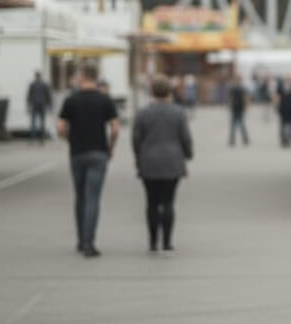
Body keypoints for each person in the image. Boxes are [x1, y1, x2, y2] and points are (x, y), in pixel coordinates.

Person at [57, 63, 121, 258]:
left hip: (77, 153)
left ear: (82, 77)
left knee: (80, 197)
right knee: (93, 198)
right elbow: (115, 128)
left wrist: (70, 139)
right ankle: (89, 243)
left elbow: (60, 128)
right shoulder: (105, 100)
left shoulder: (71, 101)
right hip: (98, 153)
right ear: (96, 77)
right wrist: (111, 147)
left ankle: (80, 239)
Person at [132, 76, 193, 252]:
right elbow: (185, 137)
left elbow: (136, 139)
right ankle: (167, 242)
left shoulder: (143, 113)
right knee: (168, 202)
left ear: (152, 92)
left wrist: (139, 158)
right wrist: (187, 154)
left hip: (149, 162)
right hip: (172, 162)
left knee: (151, 202)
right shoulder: (179, 113)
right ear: (169, 92)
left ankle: (152, 241)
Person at [26, 71, 53, 145]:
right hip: (42, 104)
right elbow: (48, 95)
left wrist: (28, 105)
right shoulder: (44, 84)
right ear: (40, 76)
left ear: (35, 76)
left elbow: (29, 95)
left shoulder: (32, 84)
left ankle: (32, 139)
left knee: (33, 122)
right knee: (42, 122)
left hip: (34, 104)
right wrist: (50, 105)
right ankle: (42, 139)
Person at [275, 74, 291, 148]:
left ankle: (290, 139)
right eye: (287, 78)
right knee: (282, 125)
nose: (289, 80)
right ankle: (283, 139)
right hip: (283, 108)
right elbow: (277, 96)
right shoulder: (281, 86)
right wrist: (277, 105)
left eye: (290, 78)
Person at [227, 74, 249, 147]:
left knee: (241, 125)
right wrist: (229, 106)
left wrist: (246, 106)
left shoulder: (242, 88)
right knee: (234, 125)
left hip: (240, 108)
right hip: (235, 108)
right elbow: (230, 98)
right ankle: (233, 140)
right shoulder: (233, 88)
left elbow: (245, 98)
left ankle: (244, 139)